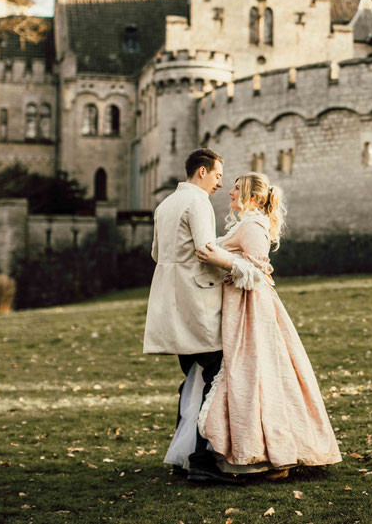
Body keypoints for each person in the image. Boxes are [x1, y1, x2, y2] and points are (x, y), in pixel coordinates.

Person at [194, 171, 342, 479]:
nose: (230, 193)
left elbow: (258, 273)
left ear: (252, 196)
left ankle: (270, 453)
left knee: (254, 372)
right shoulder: (245, 225)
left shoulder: (253, 226)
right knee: (250, 373)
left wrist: (221, 259)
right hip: (239, 305)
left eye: (236, 189)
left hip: (251, 308)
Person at [144, 148, 234, 484]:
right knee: (218, 374)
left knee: (194, 375)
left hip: (169, 301)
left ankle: (184, 454)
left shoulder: (164, 204)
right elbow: (205, 249)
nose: (220, 184)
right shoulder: (198, 202)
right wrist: (238, 266)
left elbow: (156, 253)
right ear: (201, 171)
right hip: (198, 301)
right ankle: (201, 459)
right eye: (217, 176)